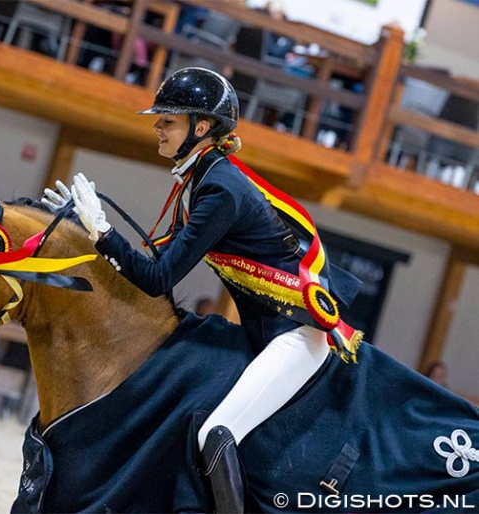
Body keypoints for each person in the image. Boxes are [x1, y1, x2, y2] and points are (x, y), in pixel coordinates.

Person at [44, 67, 361, 512]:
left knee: (218, 433)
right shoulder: (204, 178)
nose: (157, 125)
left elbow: (157, 280)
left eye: (168, 120)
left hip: (296, 336)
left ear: (203, 126)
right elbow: (149, 262)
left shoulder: (220, 188)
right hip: (263, 334)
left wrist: (101, 231)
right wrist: (86, 231)